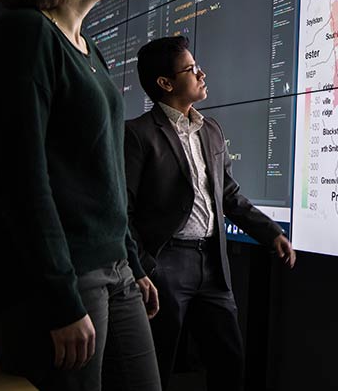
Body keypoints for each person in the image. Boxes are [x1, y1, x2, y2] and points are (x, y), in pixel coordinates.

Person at [0, 0, 161, 390]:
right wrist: (59, 298)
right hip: (62, 279)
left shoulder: (88, 48)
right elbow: (22, 180)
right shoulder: (26, 33)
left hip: (113, 269)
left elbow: (103, 177)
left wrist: (133, 263)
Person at [124, 36, 296, 391]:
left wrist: (271, 233)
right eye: (190, 69)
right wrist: (142, 267)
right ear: (166, 83)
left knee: (229, 362)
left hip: (213, 265)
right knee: (156, 367)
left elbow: (229, 196)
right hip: (164, 265)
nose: (201, 73)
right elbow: (122, 210)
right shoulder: (138, 135)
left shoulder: (211, 130)